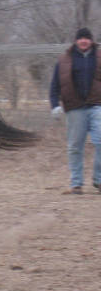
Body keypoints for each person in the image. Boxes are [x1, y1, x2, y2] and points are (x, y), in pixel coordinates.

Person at [50, 27, 101, 194]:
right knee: (75, 146)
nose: (84, 41)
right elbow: (55, 84)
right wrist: (54, 105)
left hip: (97, 105)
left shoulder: (99, 56)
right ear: (76, 40)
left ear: (91, 40)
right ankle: (76, 183)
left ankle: (99, 180)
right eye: (81, 38)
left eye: (87, 38)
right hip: (75, 107)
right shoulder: (65, 59)